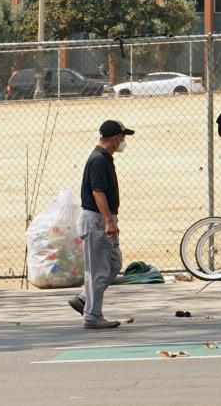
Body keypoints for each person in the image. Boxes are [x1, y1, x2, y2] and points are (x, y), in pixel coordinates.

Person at [68, 120, 134, 329]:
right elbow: (98, 192)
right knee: (98, 271)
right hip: (97, 221)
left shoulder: (105, 158)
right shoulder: (98, 160)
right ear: (115, 138)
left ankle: (84, 299)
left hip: (103, 220)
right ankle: (92, 315)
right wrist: (108, 221)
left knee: (113, 264)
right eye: (122, 137)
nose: (123, 141)